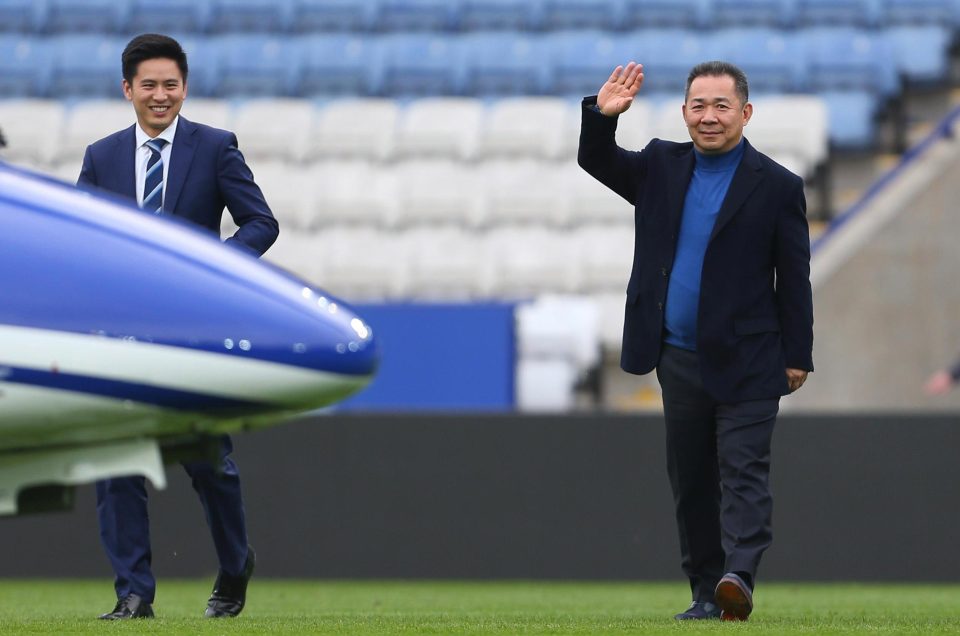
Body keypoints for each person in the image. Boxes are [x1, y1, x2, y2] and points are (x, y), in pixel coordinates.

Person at [578, 61, 813, 621]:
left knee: (744, 470)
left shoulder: (778, 186)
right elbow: (597, 160)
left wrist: (797, 354)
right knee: (692, 481)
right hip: (677, 357)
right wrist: (600, 119)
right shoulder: (661, 164)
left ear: (745, 113)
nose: (710, 117)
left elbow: (794, 276)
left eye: (722, 106)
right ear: (685, 113)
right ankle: (707, 592)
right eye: (699, 106)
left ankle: (740, 574)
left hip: (752, 358)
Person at [77, 33, 278, 620]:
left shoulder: (216, 148)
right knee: (115, 465)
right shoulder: (102, 156)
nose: (160, 95)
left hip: (192, 335)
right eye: (149, 86)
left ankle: (235, 566)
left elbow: (260, 223)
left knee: (210, 464)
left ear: (184, 88)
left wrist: (213, 268)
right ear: (127, 90)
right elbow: (83, 245)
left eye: (170, 85)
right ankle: (133, 594)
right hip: (120, 339)